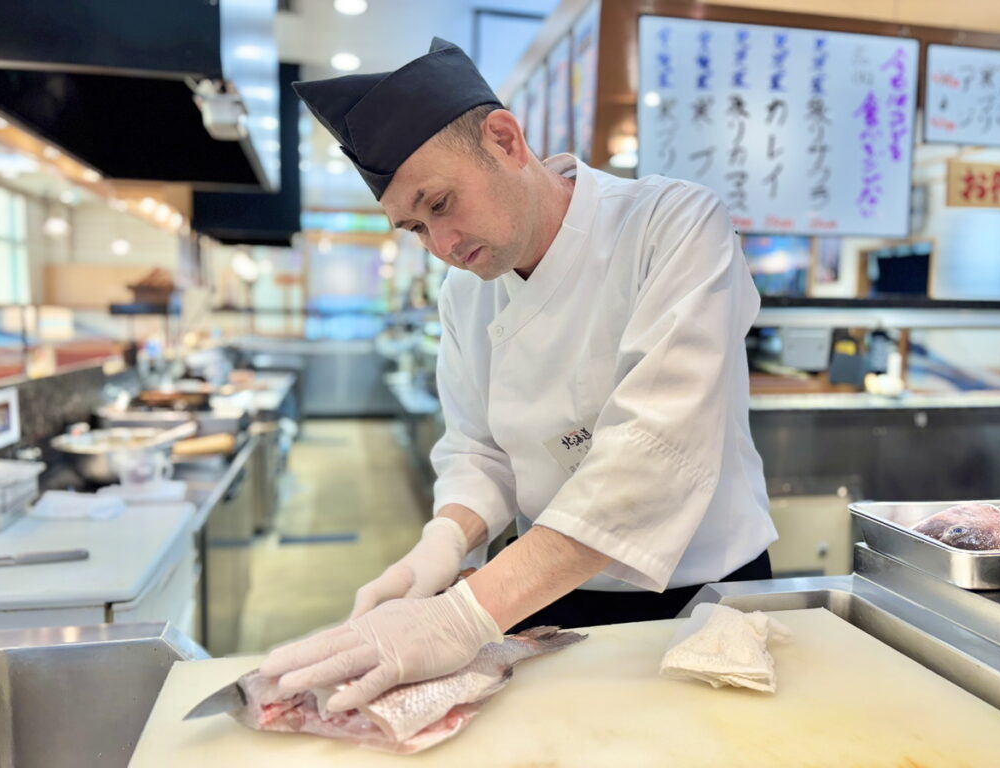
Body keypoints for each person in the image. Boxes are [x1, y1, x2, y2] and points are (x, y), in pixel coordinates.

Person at [259, 37, 777, 715]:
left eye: (440, 203)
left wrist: (459, 618)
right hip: (545, 594)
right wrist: (443, 542)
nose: (441, 247)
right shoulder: (466, 293)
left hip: (709, 598)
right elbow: (479, 448)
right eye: (414, 227)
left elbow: (655, 456)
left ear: (504, 139)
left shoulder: (672, 224)